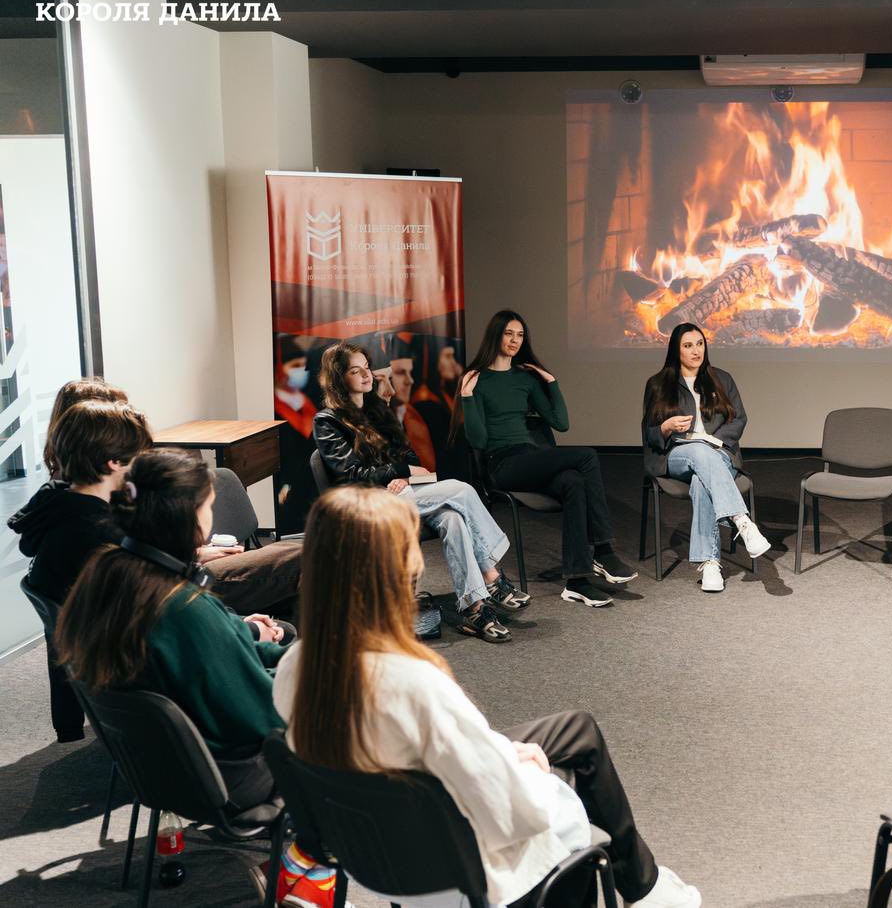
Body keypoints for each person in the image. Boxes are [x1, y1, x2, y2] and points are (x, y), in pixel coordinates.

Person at [273, 486, 701, 908]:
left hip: (380, 857)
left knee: (576, 729)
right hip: (457, 864)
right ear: (394, 574)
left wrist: (501, 753)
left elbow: (431, 759)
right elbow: (505, 809)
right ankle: (645, 888)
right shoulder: (415, 684)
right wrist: (526, 771)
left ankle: (648, 887)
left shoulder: (296, 665)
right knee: (564, 792)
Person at [11, 397, 301, 741]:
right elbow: (184, 635)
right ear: (114, 462)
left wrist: (233, 628)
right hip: (233, 732)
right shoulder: (108, 545)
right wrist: (243, 631)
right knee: (295, 580)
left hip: (163, 689)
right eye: (140, 454)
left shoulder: (80, 527)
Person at [53, 450, 287, 813]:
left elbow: (217, 658)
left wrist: (284, 657)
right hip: (233, 774)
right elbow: (260, 714)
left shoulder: (104, 574)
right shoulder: (182, 607)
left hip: (159, 771)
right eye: (208, 507)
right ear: (186, 517)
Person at [313, 342, 526, 644]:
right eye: (355, 370)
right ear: (339, 377)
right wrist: (399, 472)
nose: (366, 375)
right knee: (462, 491)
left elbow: (408, 455)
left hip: (402, 493)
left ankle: (475, 608)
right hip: (367, 502)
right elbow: (352, 475)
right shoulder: (327, 421)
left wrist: (404, 476)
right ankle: (491, 575)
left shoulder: (378, 409)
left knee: (452, 518)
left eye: (366, 368)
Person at [458, 309, 636, 606]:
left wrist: (551, 381)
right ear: (495, 335)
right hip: (502, 464)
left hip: (531, 457)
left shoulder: (525, 379)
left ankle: (577, 581)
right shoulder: (477, 379)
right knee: (587, 456)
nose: (515, 340)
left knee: (574, 481)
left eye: (520, 335)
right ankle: (604, 551)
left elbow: (560, 423)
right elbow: (477, 441)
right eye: (508, 333)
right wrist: (466, 397)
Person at [641, 322, 769, 592]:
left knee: (702, 481)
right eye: (688, 346)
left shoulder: (722, 379)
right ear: (676, 350)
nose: (696, 351)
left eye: (699, 344)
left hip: (719, 452)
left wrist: (715, 441)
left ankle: (710, 564)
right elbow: (649, 433)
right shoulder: (658, 384)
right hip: (676, 454)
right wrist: (666, 427)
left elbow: (739, 419)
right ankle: (741, 520)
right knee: (698, 452)